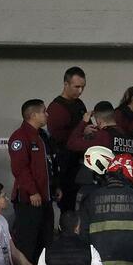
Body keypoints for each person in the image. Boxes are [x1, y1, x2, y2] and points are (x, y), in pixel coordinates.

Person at [8, 99, 59, 265]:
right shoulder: (20, 137)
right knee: (27, 241)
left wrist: (55, 187)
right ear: (33, 115)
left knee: (45, 241)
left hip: (45, 199)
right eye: (44, 111)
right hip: (28, 201)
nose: (47, 114)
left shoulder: (43, 137)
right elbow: (20, 169)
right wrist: (32, 191)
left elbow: (49, 165)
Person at [67, 103, 133, 204]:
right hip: (128, 187)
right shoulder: (128, 135)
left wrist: (83, 123)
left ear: (98, 121)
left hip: (105, 187)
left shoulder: (102, 136)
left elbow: (71, 144)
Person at [44, 66, 88, 211]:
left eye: (83, 87)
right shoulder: (56, 108)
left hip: (79, 162)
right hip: (64, 163)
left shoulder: (79, 104)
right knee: (67, 204)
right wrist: (82, 130)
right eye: (77, 87)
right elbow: (60, 137)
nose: (80, 91)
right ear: (66, 84)